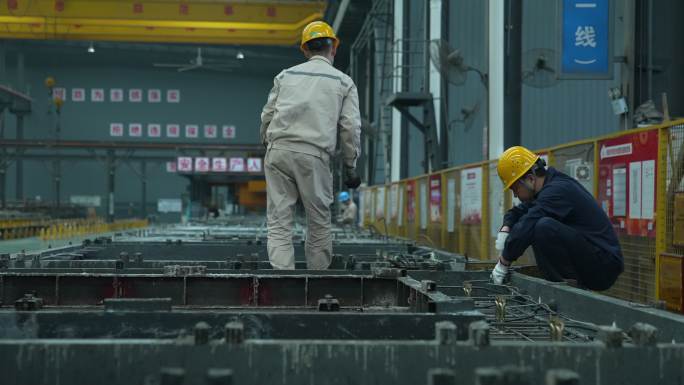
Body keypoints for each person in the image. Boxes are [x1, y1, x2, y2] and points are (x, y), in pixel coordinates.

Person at [260, 21, 362, 270]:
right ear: (333, 49)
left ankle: (283, 282)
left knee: (279, 221)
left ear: (305, 51)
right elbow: (350, 128)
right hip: (313, 155)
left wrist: (270, 144)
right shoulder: (343, 82)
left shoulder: (285, 75)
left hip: (278, 151)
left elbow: (267, 116)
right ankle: (317, 282)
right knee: (317, 222)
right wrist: (351, 167)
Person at [490, 146, 623, 290]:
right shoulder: (546, 191)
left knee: (542, 226)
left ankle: (568, 292)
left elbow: (527, 224)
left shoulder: (557, 191)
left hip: (604, 266)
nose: (515, 195)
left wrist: (503, 262)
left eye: (515, 189)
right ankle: (560, 286)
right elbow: (517, 212)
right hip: (594, 258)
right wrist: (506, 227)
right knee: (537, 223)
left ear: (530, 179)